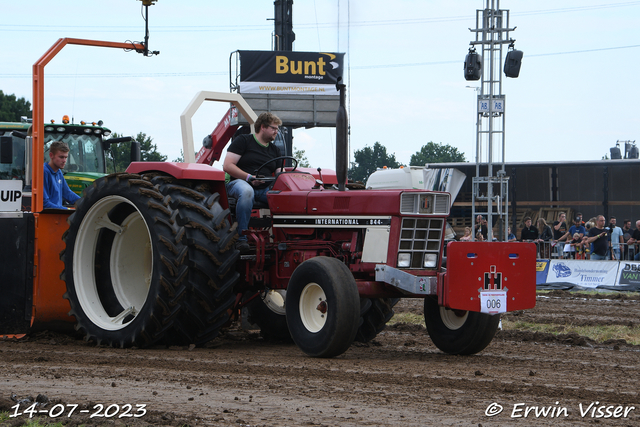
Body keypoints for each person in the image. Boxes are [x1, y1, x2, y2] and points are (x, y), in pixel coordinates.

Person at [222, 112, 283, 253]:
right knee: (247, 191)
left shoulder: (276, 150)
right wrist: (249, 178)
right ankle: (242, 238)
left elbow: (281, 174)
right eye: (274, 128)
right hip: (238, 183)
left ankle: (283, 238)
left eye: (277, 129)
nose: (276, 132)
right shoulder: (243, 141)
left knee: (282, 198)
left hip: (264, 188)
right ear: (263, 127)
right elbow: (228, 166)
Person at [43, 141, 81, 210]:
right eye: (61, 157)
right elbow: (44, 203)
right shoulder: (44, 172)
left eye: (66, 157)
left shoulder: (59, 172)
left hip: (57, 215)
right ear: (51, 155)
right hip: (48, 216)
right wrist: (67, 210)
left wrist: (85, 202)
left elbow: (67, 193)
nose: (64, 161)